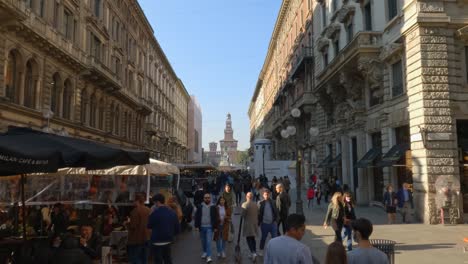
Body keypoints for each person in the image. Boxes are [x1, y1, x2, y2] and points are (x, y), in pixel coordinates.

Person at [147, 193, 180, 264]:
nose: (154, 204)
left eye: (154, 202)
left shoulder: (154, 213)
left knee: (158, 260)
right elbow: (177, 227)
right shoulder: (172, 212)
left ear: (157, 202)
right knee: (167, 259)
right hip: (168, 239)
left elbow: (149, 226)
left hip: (156, 241)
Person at [126, 193, 151, 264]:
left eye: (134, 201)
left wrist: (127, 223)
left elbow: (133, 226)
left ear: (137, 201)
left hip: (136, 239)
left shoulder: (135, 211)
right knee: (144, 259)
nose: (133, 202)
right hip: (147, 237)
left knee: (135, 259)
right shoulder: (149, 210)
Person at [194, 193, 219, 263]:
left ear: (210, 199)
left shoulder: (213, 207)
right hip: (202, 227)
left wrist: (215, 227)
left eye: (208, 198)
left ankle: (209, 256)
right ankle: (205, 251)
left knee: (208, 242)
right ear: (203, 199)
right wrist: (196, 226)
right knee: (203, 241)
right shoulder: (200, 206)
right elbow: (197, 217)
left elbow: (216, 217)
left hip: (209, 227)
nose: (207, 199)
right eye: (205, 198)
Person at [257, 189, 279, 257]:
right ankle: (261, 250)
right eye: (265, 194)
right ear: (263, 195)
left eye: (268, 194)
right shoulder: (260, 203)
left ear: (269, 195)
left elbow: (276, 211)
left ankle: (274, 251)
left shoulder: (273, 202)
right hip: (264, 224)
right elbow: (258, 214)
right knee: (263, 238)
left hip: (273, 224)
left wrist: (276, 221)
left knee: (274, 238)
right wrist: (259, 223)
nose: (266, 196)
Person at [242, 192, 259, 261]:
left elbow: (243, 215)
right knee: (253, 239)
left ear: (247, 196)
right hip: (254, 224)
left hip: (248, 224)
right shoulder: (255, 204)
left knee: (248, 239)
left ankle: (253, 253)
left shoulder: (245, 204)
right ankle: (254, 252)